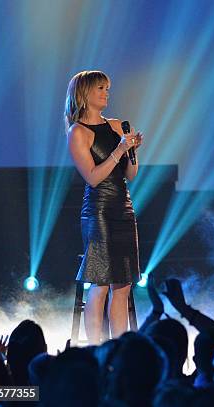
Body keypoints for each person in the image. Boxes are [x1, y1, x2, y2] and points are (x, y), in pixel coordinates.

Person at [65, 70, 143, 344]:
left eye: (108, 88)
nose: (106, 93)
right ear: (85, 93)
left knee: (123, 284)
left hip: (123, 208)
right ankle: (98, 348)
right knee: (100, 282)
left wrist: (132, 151)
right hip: (98, 211)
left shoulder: (115, 125)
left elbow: (130, 175)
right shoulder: (78, 132)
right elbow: (93, 177)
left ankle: (120, 348)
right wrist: (118, 151)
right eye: (101, 88)